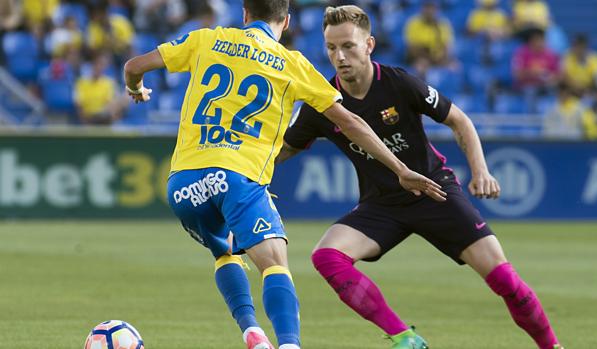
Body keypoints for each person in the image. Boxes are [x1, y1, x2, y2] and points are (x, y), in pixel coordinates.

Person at [123, 1, 446, 349]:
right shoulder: (292, 64)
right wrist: (400, 168)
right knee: (274, 264)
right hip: (238, 175)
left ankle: (251, 331)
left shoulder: (206, 40)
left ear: (244, 14)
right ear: (287, 21)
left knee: (225, 251)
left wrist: (135, 89)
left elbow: (134, 66)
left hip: (183, 184)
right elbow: (350, 122)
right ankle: (289, 344)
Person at [277, 5, 564, 349]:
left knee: (505, 280)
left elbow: (460, 121)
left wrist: (481, 170)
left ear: (368, 45)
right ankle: (405, 338)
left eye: (348, 46)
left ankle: (552, 346)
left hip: (434, 193)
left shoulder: (398, 83)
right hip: (382, 204)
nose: (340, 56)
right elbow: (284, 150)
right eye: (331, 48)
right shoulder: (322, 102)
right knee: (326, 256)